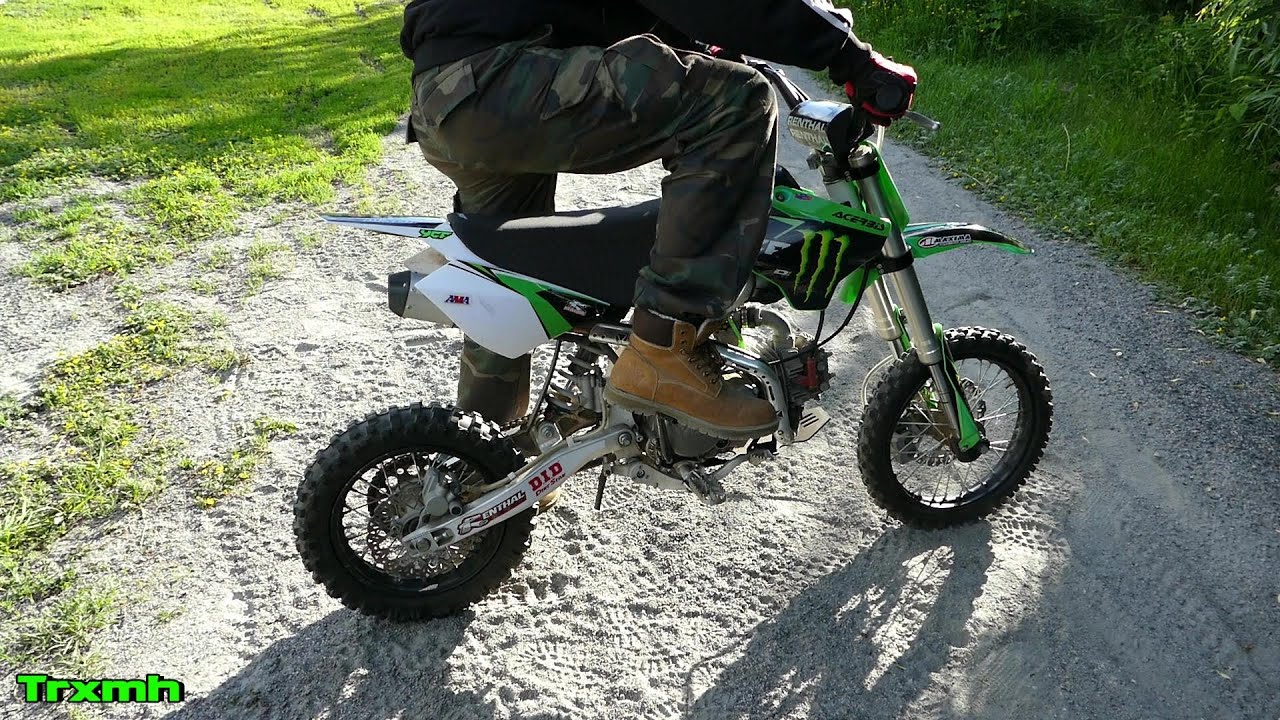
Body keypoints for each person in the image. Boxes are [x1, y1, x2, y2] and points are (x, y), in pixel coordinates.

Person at [401, 0, 916, 440]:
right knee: (737, 101)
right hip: (499, 81)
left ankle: (481, 460)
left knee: (505, 274)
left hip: (449, 95)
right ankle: (662, 347)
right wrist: (849, 56)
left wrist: (700, 47)